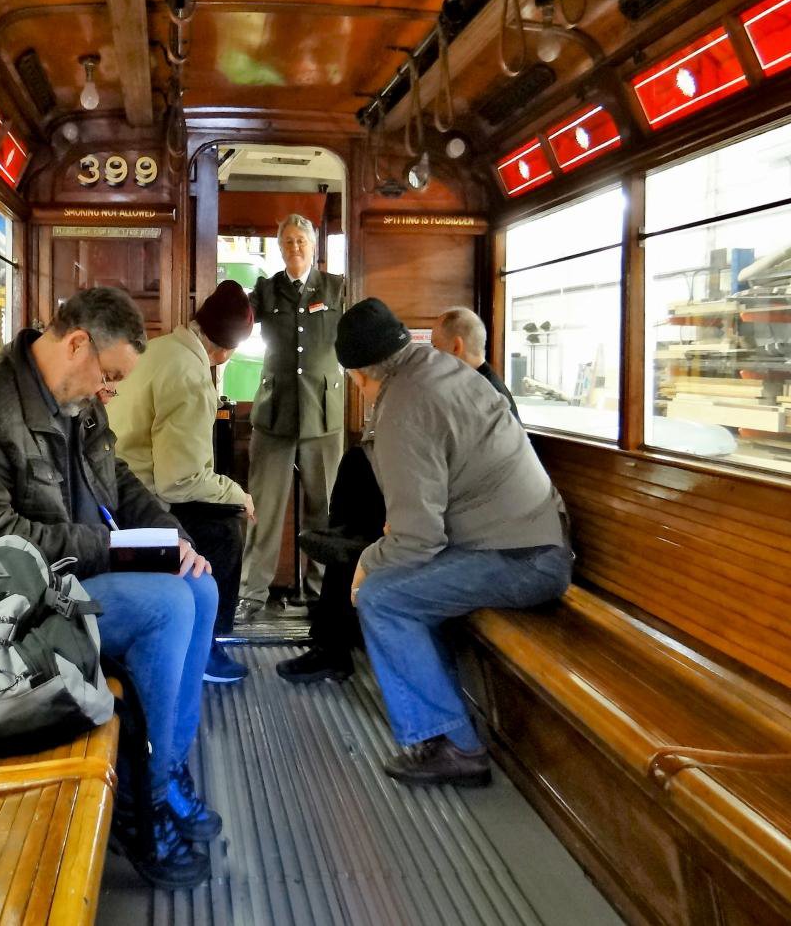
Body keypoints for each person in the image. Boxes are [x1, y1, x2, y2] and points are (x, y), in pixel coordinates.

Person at [0, 287, 218, 889]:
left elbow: (120, 480)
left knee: (200, 586)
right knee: (166, 606)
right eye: (109, 377)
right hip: (12, 612)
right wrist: (111, 546)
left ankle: (166, 766)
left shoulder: (77, 402)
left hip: (75, 580)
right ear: (77, 343)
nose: (108, 392)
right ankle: (143, 801)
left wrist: (172, 537)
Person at [341, 298, 571, 787]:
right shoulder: (438, 368)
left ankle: (456, 746)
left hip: (523, 558)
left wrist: (367, 563)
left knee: (382, 598)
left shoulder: (404, 406)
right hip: (532, 540)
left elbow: (418, 539)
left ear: (359, 377)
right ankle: (445, 724)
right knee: (401, 587)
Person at [277, 306, 524, 685]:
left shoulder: (482, 394)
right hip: (444, 509)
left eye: (435, 349)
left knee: (360, 516)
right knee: (357, 472)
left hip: (471, 530)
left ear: (456, 348)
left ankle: (336, 625)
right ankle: (338, 592)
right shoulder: (455, 388)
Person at [108, 280, 257, 684]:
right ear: (226, 351)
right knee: (226, 526)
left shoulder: (159, 348)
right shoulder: (191, 377)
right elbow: (180, 482)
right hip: (133, 506)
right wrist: (239, 494)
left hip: (110, 490)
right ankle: (205, 648)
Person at [235, 213, 344, 621]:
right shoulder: (266, 290)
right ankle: (252, 593)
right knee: (263, 508)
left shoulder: (337, 288)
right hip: (274, 413)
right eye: (288, 241)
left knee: (325, 508)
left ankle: (319, 592)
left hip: (323, 414)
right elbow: (238, 324)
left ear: (313, 245)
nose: (295, 246)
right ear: (280, 248)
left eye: (301, 240)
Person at [430, 306, 520, 422]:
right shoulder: (479, 385)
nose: (432, 354)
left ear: (456, 347)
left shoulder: (483, 395)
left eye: (435, 346)